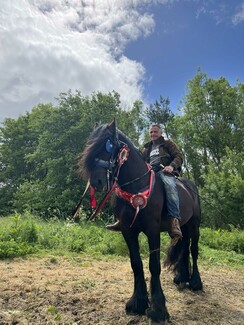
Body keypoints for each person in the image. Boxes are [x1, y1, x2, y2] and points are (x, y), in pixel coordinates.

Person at [107, 124, 183, 240]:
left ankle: (174, 220)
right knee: (123, 187)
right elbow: (142, 162)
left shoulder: (168, 143)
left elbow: (178, 156)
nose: (153, 134)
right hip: (150, 171)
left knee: (170, 187)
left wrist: (171, 167)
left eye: (155, 132)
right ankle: (121, 219)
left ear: (161, 133)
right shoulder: (147, 147)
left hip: (165, 171)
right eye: (151, 132)